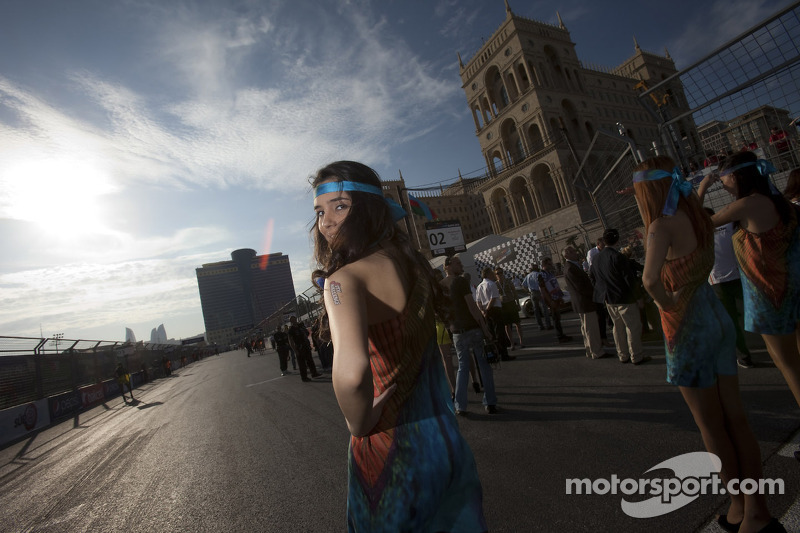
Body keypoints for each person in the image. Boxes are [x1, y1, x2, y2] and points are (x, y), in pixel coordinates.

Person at [311, 161, 487, 531]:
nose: (326, 222)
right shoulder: (413, 265)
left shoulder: (342, 281)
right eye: (320, 211)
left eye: (340, 206)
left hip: (389, 453)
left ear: (367, 207)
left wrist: (358, 422)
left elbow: (351, 375)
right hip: (443, 442)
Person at [634, 156, 785, 533]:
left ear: (648, 192)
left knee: (711, 427)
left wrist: (666, 303)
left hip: (687, 328)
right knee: (736, 419)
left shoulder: (659, 227)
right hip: (715, 318)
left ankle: (739, 507)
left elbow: (650, 280)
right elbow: (694, 199)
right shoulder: (699, 217)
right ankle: (754, 510)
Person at [698, 151, 800, 411]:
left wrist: (701, 188)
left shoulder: (747, 205)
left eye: (724, 179)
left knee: (787, 363)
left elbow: (700, 226)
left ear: (736, 176)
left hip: (770, 295)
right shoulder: (780, 201)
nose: (722, 183)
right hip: (793, 288)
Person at [442, 255, 499, 416]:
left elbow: (442, 311)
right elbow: (472, 307)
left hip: (456, 332)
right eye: (457, 263)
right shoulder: (460, 281)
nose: (461, 265)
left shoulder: (440, 286)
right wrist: (485, 329)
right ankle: (490, 402)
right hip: (472, 329)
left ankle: (460, 405)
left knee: (462, 367)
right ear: (447, 266)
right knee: (484, 365)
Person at [704, 207, 756, 369]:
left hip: (723, 282)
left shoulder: (703, 233)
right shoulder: (728, 226)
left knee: (732, 321)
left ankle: (744, 355)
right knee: (747, 317)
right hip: (735, 279)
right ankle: (746, 354)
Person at [590, 228, 650, 365]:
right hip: (624, 297)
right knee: (632, 326)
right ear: (617, 240)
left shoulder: (596, 258)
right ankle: (636, 355)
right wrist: (639, 296)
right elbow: (629, 279)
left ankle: (622, 354)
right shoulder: (618, 257)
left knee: (617, 327)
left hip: (609, 299)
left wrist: (603, 291)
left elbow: (592, 277)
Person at [563, 246, 607, 359]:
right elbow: (581, 287)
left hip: (582, 302)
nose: (575, 252)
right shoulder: (571, 268)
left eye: (574, 250)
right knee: (591, 328)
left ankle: (590, 349)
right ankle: (596, 351)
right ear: (566, 255)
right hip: (584, 302)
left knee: (586, 327)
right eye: (572, 251)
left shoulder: (572, 266)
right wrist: (594, 294)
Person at [475, 267, 513, 361]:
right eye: (492, 273)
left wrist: (483, 311)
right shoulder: (491, 284)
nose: (493, 275)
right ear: (488, 274)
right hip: (494, 310)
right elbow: (493, 298)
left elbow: (478, 301)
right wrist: (487, 309)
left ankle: (495, 353)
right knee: (500, 332)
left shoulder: (480, 286)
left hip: (486, 311)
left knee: (491, 333)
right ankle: (503, 354)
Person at [538, 257, 572, 343]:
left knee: (558, 317)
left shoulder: (551, 273)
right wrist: (550, 301)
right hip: (551, 299)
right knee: (555, 318)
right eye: (549, 264)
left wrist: (560, 297)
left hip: (556, 297)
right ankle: (560, 336)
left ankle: (561, 334)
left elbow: (556, 286)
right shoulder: (541, 275)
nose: (551, 265)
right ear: (544, 265)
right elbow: (543, 289)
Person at [495, 267, 525, 349]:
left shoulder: (508, 281)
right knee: (507, 325)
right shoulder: (495, 284)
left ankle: (521, 341)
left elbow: (514, 292)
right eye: (498, 273)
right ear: (496, 275)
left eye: (501, 272)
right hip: (503, 305)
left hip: (511, 303)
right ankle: (511, 343)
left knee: (517, 323)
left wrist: (517, 303)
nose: (500, 274)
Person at [287, 316, 323, 382]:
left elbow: (306, 333)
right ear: (291, 321)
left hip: (305, 345)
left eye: (295, 319)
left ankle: (314, 373)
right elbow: (291, 341)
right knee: (302, 363)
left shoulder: (300, 326)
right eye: (292, 320)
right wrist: (295, 350)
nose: (294, 320)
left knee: (310, 360)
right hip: (299, 347)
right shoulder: (291, 330)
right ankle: (304, 377)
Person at [522, 264, 550, 330]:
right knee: (544, 309)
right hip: (539, 292)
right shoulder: (538, 274)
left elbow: (523, 285)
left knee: (536, 310)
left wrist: (528, 291)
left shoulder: (528, 276)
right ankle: (548, 324)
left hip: (532, 293)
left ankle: (540, 326)